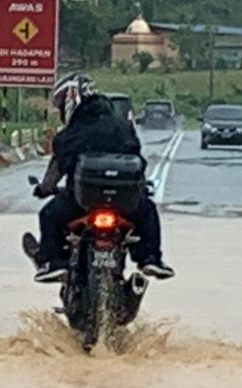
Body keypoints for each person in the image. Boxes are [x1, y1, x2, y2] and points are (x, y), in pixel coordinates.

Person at [33, 73, 175, 283]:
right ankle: (150, 259)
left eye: (62, 106)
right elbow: (137, 160)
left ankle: (55, 263)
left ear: (71, 100)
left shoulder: (69, 135)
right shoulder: (123, 127)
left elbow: (56, 169)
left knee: (48, 216)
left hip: (80, 203)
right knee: (148, 212)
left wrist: (44, 188)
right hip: (125, 202)